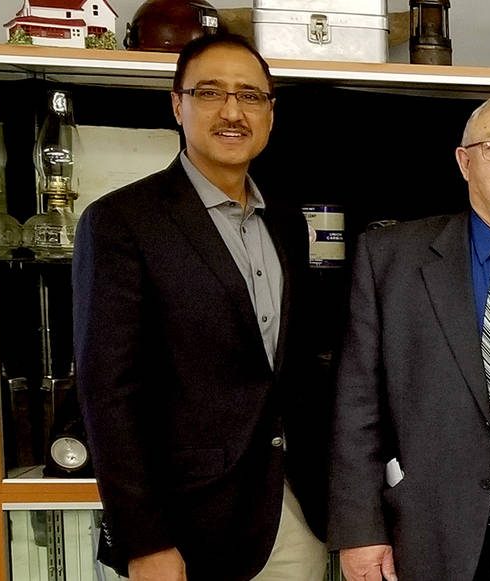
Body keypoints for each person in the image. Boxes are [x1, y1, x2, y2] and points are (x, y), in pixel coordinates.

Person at [75, 33, 333, 580]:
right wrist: (144, 541)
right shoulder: (122, 222)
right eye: (211, 93)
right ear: (177, 104)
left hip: (289, 513)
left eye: (251, 95)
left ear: (269, 111)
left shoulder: (287, 222)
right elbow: (108, 393)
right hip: (182, 526)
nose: (233, 111)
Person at [327, 91, 490, 581]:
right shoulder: (389, 258)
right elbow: (357, 408)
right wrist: (359, 531)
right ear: (464, 161)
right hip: (429, 532)